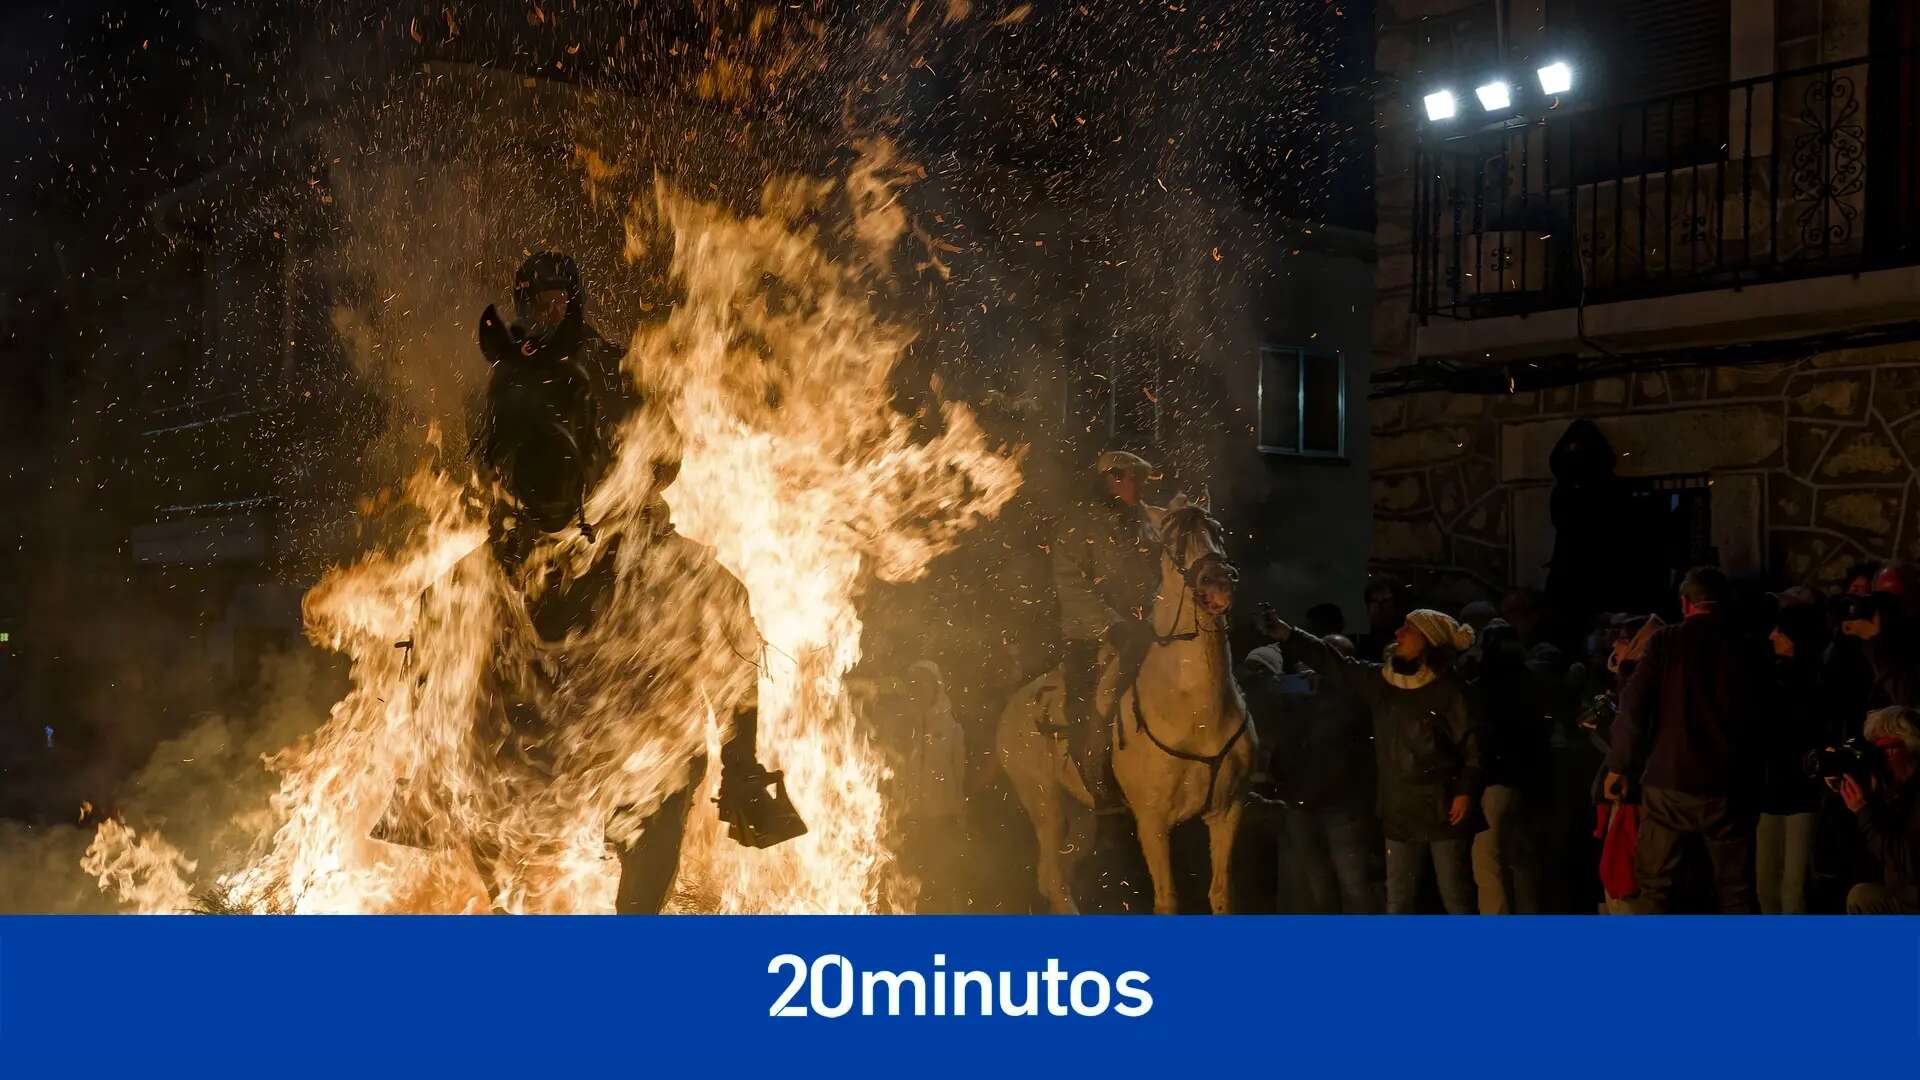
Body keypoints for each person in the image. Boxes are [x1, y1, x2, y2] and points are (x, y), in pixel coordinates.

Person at [1261, 605, 1483, 914]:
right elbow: (1334, 663)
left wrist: (1465, 791)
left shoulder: (1449, 691)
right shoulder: (1384, 683)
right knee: (1398, 900)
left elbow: (1472, 747)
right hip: (1399, 809)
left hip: (1441, 808)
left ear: (1428, 641)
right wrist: (1289, 634)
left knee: (1455, 895)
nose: (1398, 633)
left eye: (1408, 629)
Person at [1604, 567, 1765, 914]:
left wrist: (1620, 766)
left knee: (1656, 889)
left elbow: (1632, 709)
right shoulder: (1749, 647)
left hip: (1670, 782)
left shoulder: (1666, 642)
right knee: (1736, 890)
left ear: (1685, 603)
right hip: (1728, 786)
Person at [1050, 450, 1161, 812]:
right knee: (1086, 704)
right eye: (1131, 479)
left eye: (1141, 479)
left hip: (1146, 630)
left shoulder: (1148, 522)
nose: (1139, 487)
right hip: (1091, 635)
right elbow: (1072, 583)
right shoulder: (1079, 526)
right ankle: (1094, 773)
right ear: (1110, 480)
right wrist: (1111, 624)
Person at [1240, 635, 1383, 914]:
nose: (1306, 666)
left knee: (1354, 887)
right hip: (1303, 804)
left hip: (1341, 808)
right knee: (1320, 888)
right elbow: (1282, 732)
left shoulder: (1355, 698)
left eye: (1316, 659)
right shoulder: (1302, 695)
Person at [1755, 587, 1835, 914]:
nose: (1772, 635)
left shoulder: (1820, 679)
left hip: (1803, 792)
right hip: (1772, 790)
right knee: (1767, 883)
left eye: (1780, 630)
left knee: (1794, 886)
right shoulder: (1770, 677)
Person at [1469, 620, 1550, 914]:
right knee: (1522, 861)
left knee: (1488, 863)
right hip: (1529, 783)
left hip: (1495, 783)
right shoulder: (1532, 683)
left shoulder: (1484, 687)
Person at [1841, 707, 1920, 913]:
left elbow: (1908, 865)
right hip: (1904, 895)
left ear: (1909, 746)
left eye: (1885, 748)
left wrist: (1864, 813)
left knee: (1862, 897)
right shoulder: (1893, 790)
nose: (1880, 758)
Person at [1351, 577, 1405, 661]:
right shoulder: (1359, 642)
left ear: (1396, 604)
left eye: (1386, 600)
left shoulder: (1406, 639)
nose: (1379, 606)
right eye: (1374, 601)